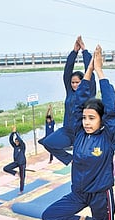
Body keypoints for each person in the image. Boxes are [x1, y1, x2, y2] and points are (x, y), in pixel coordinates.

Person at [42, 45, 115, 220]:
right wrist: (87, 72)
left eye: (91, 118)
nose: (86, 122)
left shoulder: (108, 136)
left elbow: (109, 104)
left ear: (101, 120)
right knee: (50, 215)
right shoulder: (78, 132)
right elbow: (77, 102)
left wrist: (100, 71)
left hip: (101, 196)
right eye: (84, 118)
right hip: (78, 193)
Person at [39, 36, 96, 166]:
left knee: (85, 162)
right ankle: (69, 160)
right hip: (67, 131)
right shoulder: (70, 92)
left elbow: (90, 71)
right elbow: (67, 71)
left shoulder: (89, 91)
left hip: (82, 132)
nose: (75, 85)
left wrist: (85, 52)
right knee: (48, 142)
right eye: (73, 83)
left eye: (78, 82)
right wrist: (74, 52)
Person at [3, 126, 26, 194]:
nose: (16, 142)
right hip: (16, 162)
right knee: (5, 168)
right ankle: (16, 173)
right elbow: (10, 140)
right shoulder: (15, 146)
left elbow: (21, 141)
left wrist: (16, 132)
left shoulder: (22, 146)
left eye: (17, 141)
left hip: (22, 163)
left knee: (22, 178)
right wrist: (12, 133)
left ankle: (21, 190)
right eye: (15, 141)